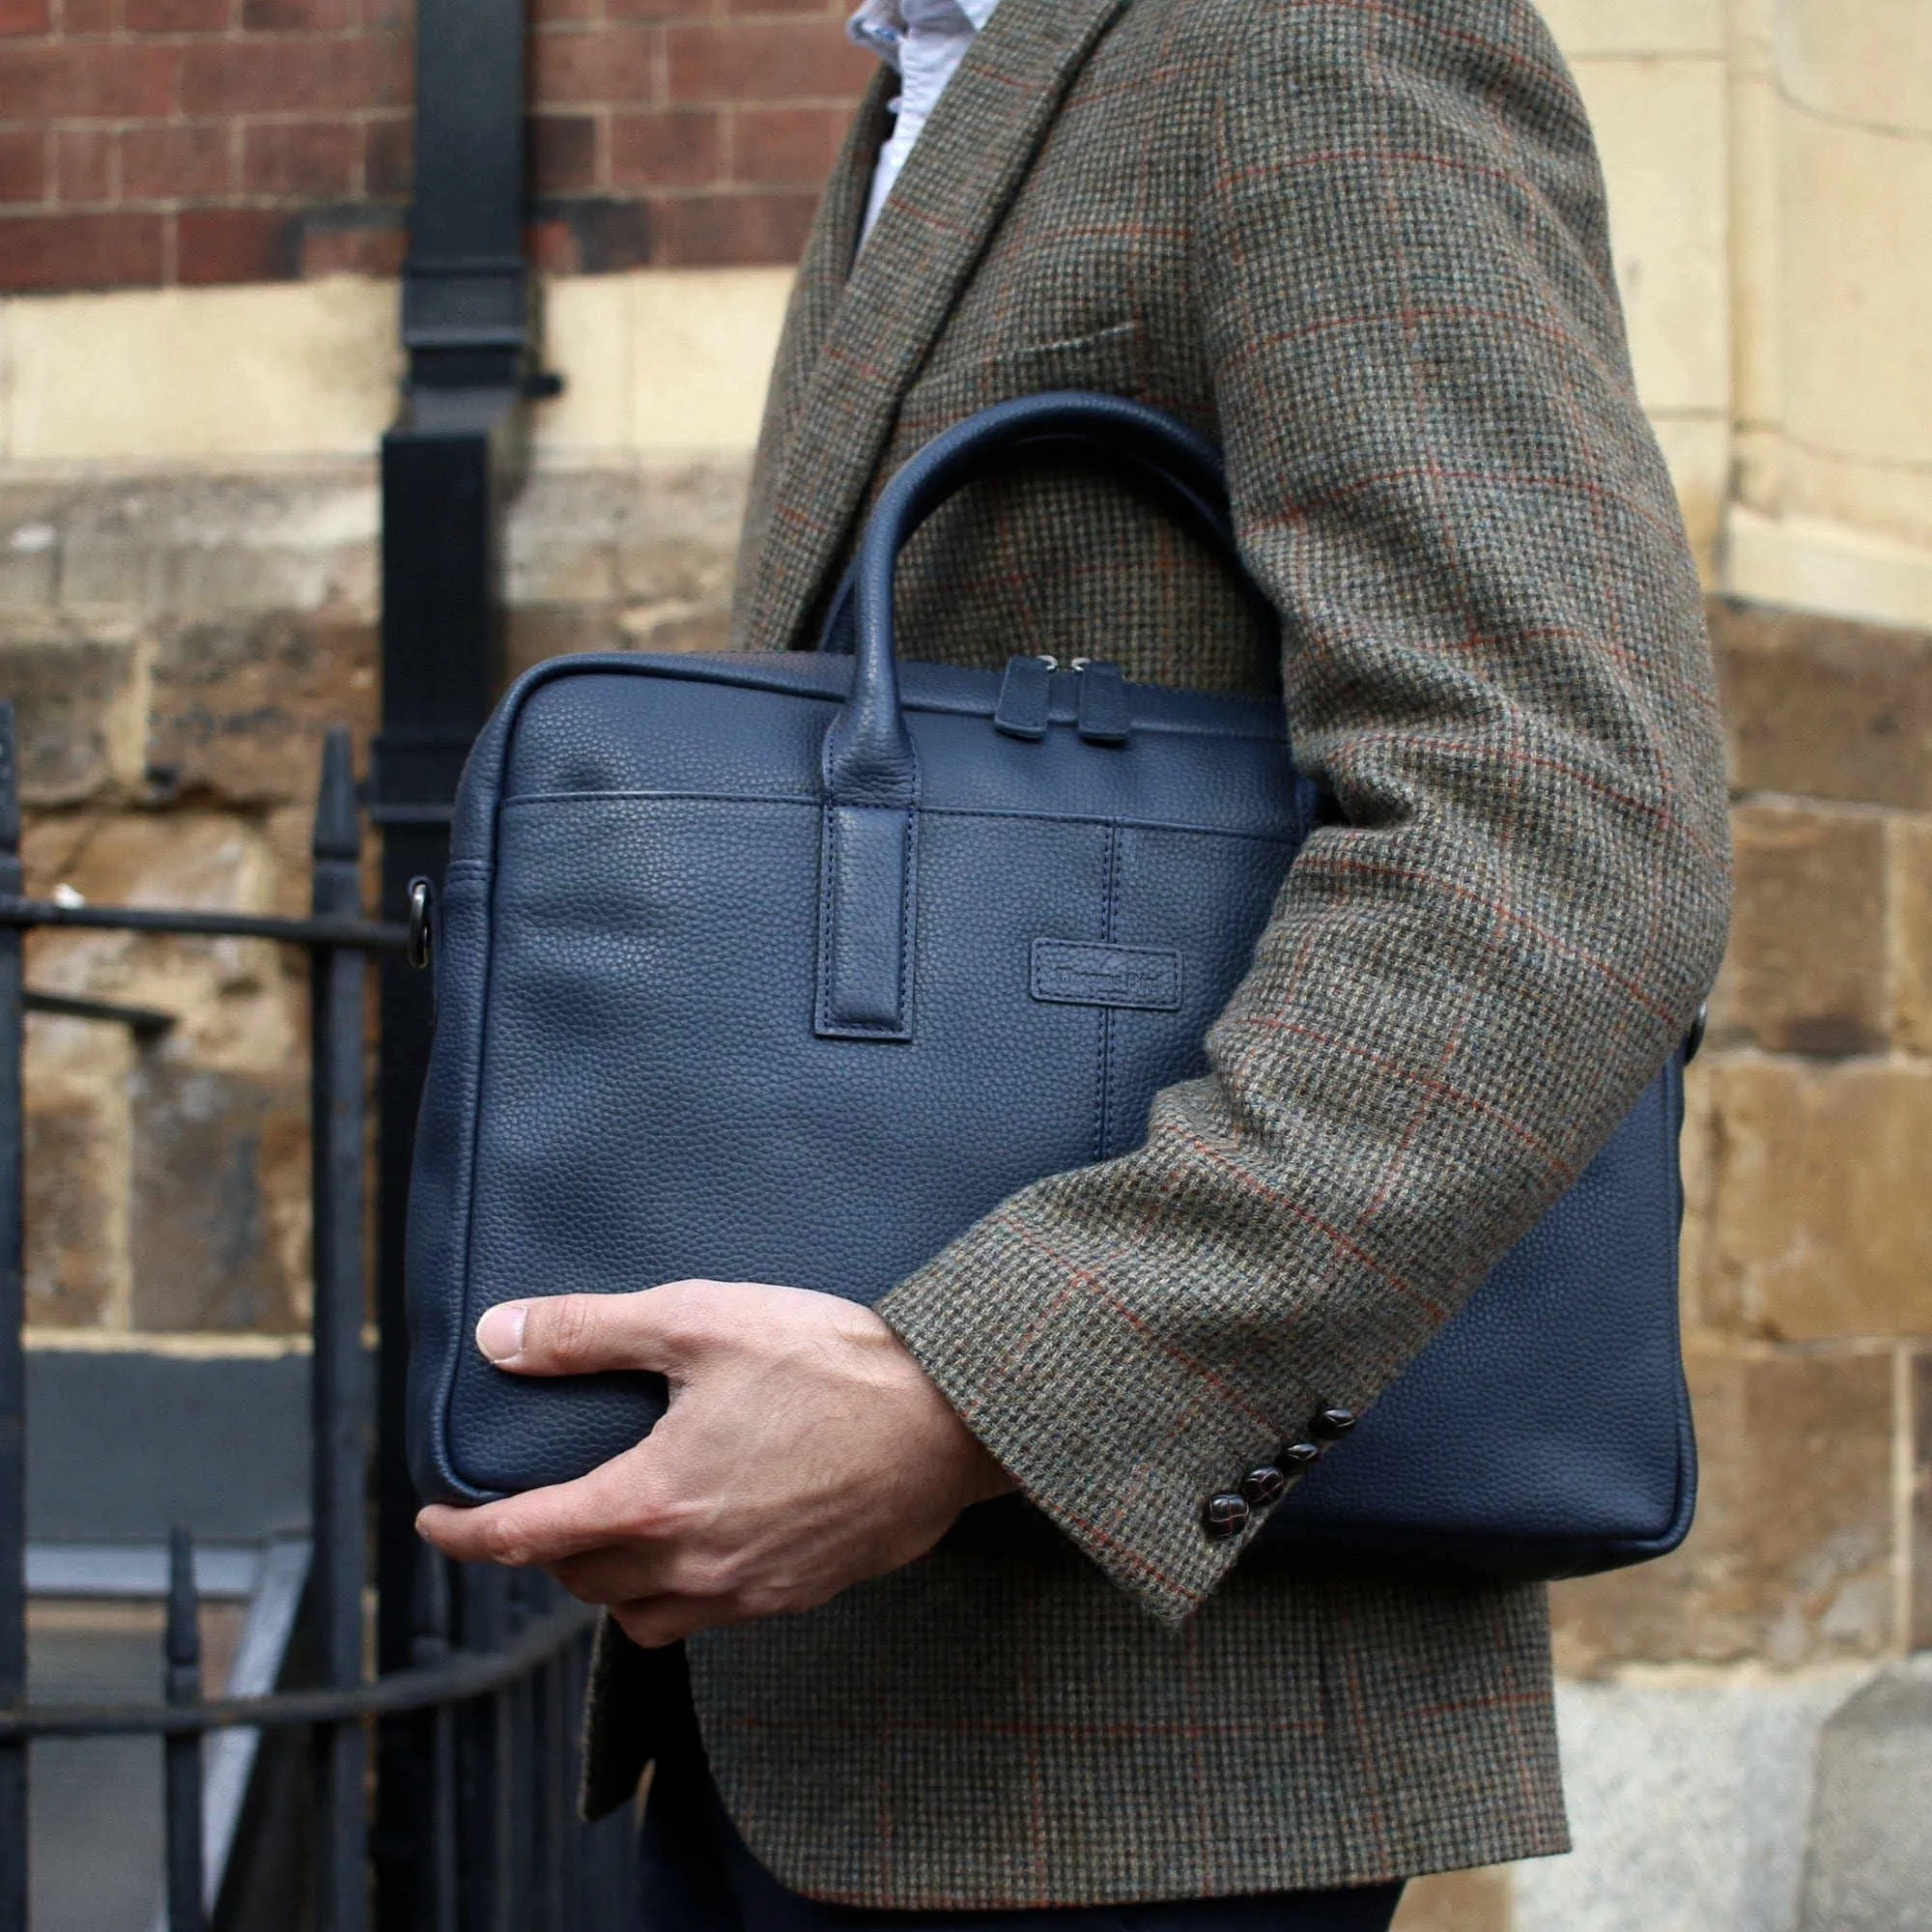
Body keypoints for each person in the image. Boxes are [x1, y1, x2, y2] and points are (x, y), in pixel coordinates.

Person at [416, 0, 1732, 1924]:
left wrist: (973, 1395)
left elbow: (1562, 830)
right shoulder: (927, 81)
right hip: (795, 1695)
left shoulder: (1315, 34)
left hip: (1130, 1738)